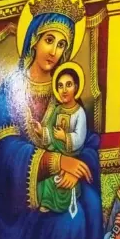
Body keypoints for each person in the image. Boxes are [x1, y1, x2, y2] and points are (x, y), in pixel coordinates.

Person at [0, 0, 103, 239]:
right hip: (13, 198)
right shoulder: (9, 91)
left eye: (62, 45)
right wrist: (55, 161)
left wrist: (75, 165)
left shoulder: (65, 92)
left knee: (74, 221)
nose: (54, 51)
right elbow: (3, 151)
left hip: (61, 190)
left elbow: (89, 139)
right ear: (34, 40)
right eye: (49, 40)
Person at [32, 64, 87, 216]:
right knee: (44, 179)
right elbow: (50, 134)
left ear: (76, 87)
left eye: (68, 85)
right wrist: (41, 131)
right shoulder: (56, 110)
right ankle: (46, 205)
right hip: (55, 155)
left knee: (60, 182)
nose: (64, 90)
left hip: (70, 158)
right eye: (60, 86)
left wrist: (66, 137)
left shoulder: (79, 113)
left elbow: (80, 138)